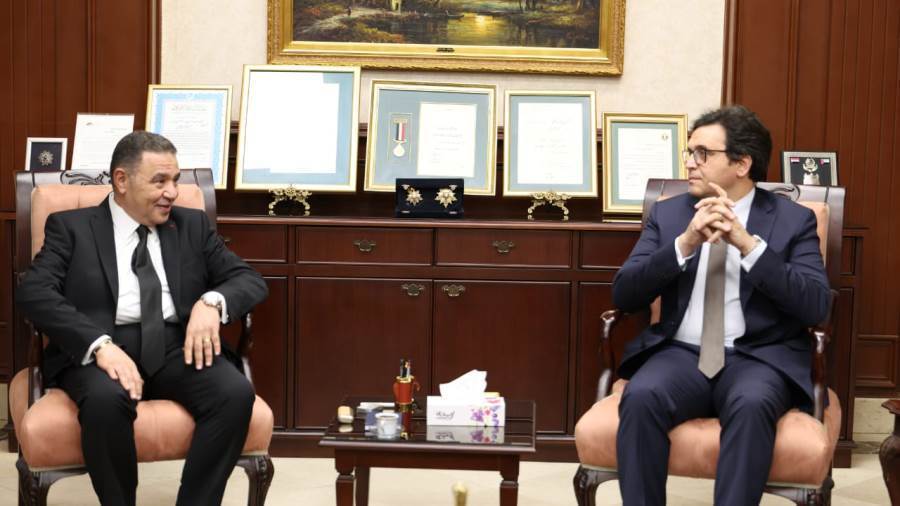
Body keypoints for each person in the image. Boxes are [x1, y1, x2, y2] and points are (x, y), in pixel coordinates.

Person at [16, 131, 268, 506]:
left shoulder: (192, 226)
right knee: (105, 400)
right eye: (159, 181)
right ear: (122, 180)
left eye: (175, 180)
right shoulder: (71, 228)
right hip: (102, 350)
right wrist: (98, 345)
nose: (172, 192)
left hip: (176, 347)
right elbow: (34, 292)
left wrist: (211, 303)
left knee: (235, 393)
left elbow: (249, 280)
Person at [612, 105, 831, 505]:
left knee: (752, 403)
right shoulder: (669, 214)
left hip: (759, 357)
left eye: (703, 154)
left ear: (742, 163)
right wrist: (685, 243)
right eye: (689, 152)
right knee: (641, 396)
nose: (689, 163)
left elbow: (815, 305)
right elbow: (624, 293)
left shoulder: (793, 220)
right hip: (681, 354)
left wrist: (748, 245)